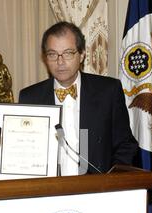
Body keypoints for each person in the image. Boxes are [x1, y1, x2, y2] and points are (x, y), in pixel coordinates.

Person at [19, 22, 138, 175]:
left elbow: (126, 145)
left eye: (68, 53)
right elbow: (23, 151)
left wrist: (111, 183)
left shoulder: (108, 91)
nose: (60, 62)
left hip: (98, 192)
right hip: (48, 193)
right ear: (45, 58)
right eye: (52, 54)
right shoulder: (30, 98)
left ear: (82, 55)